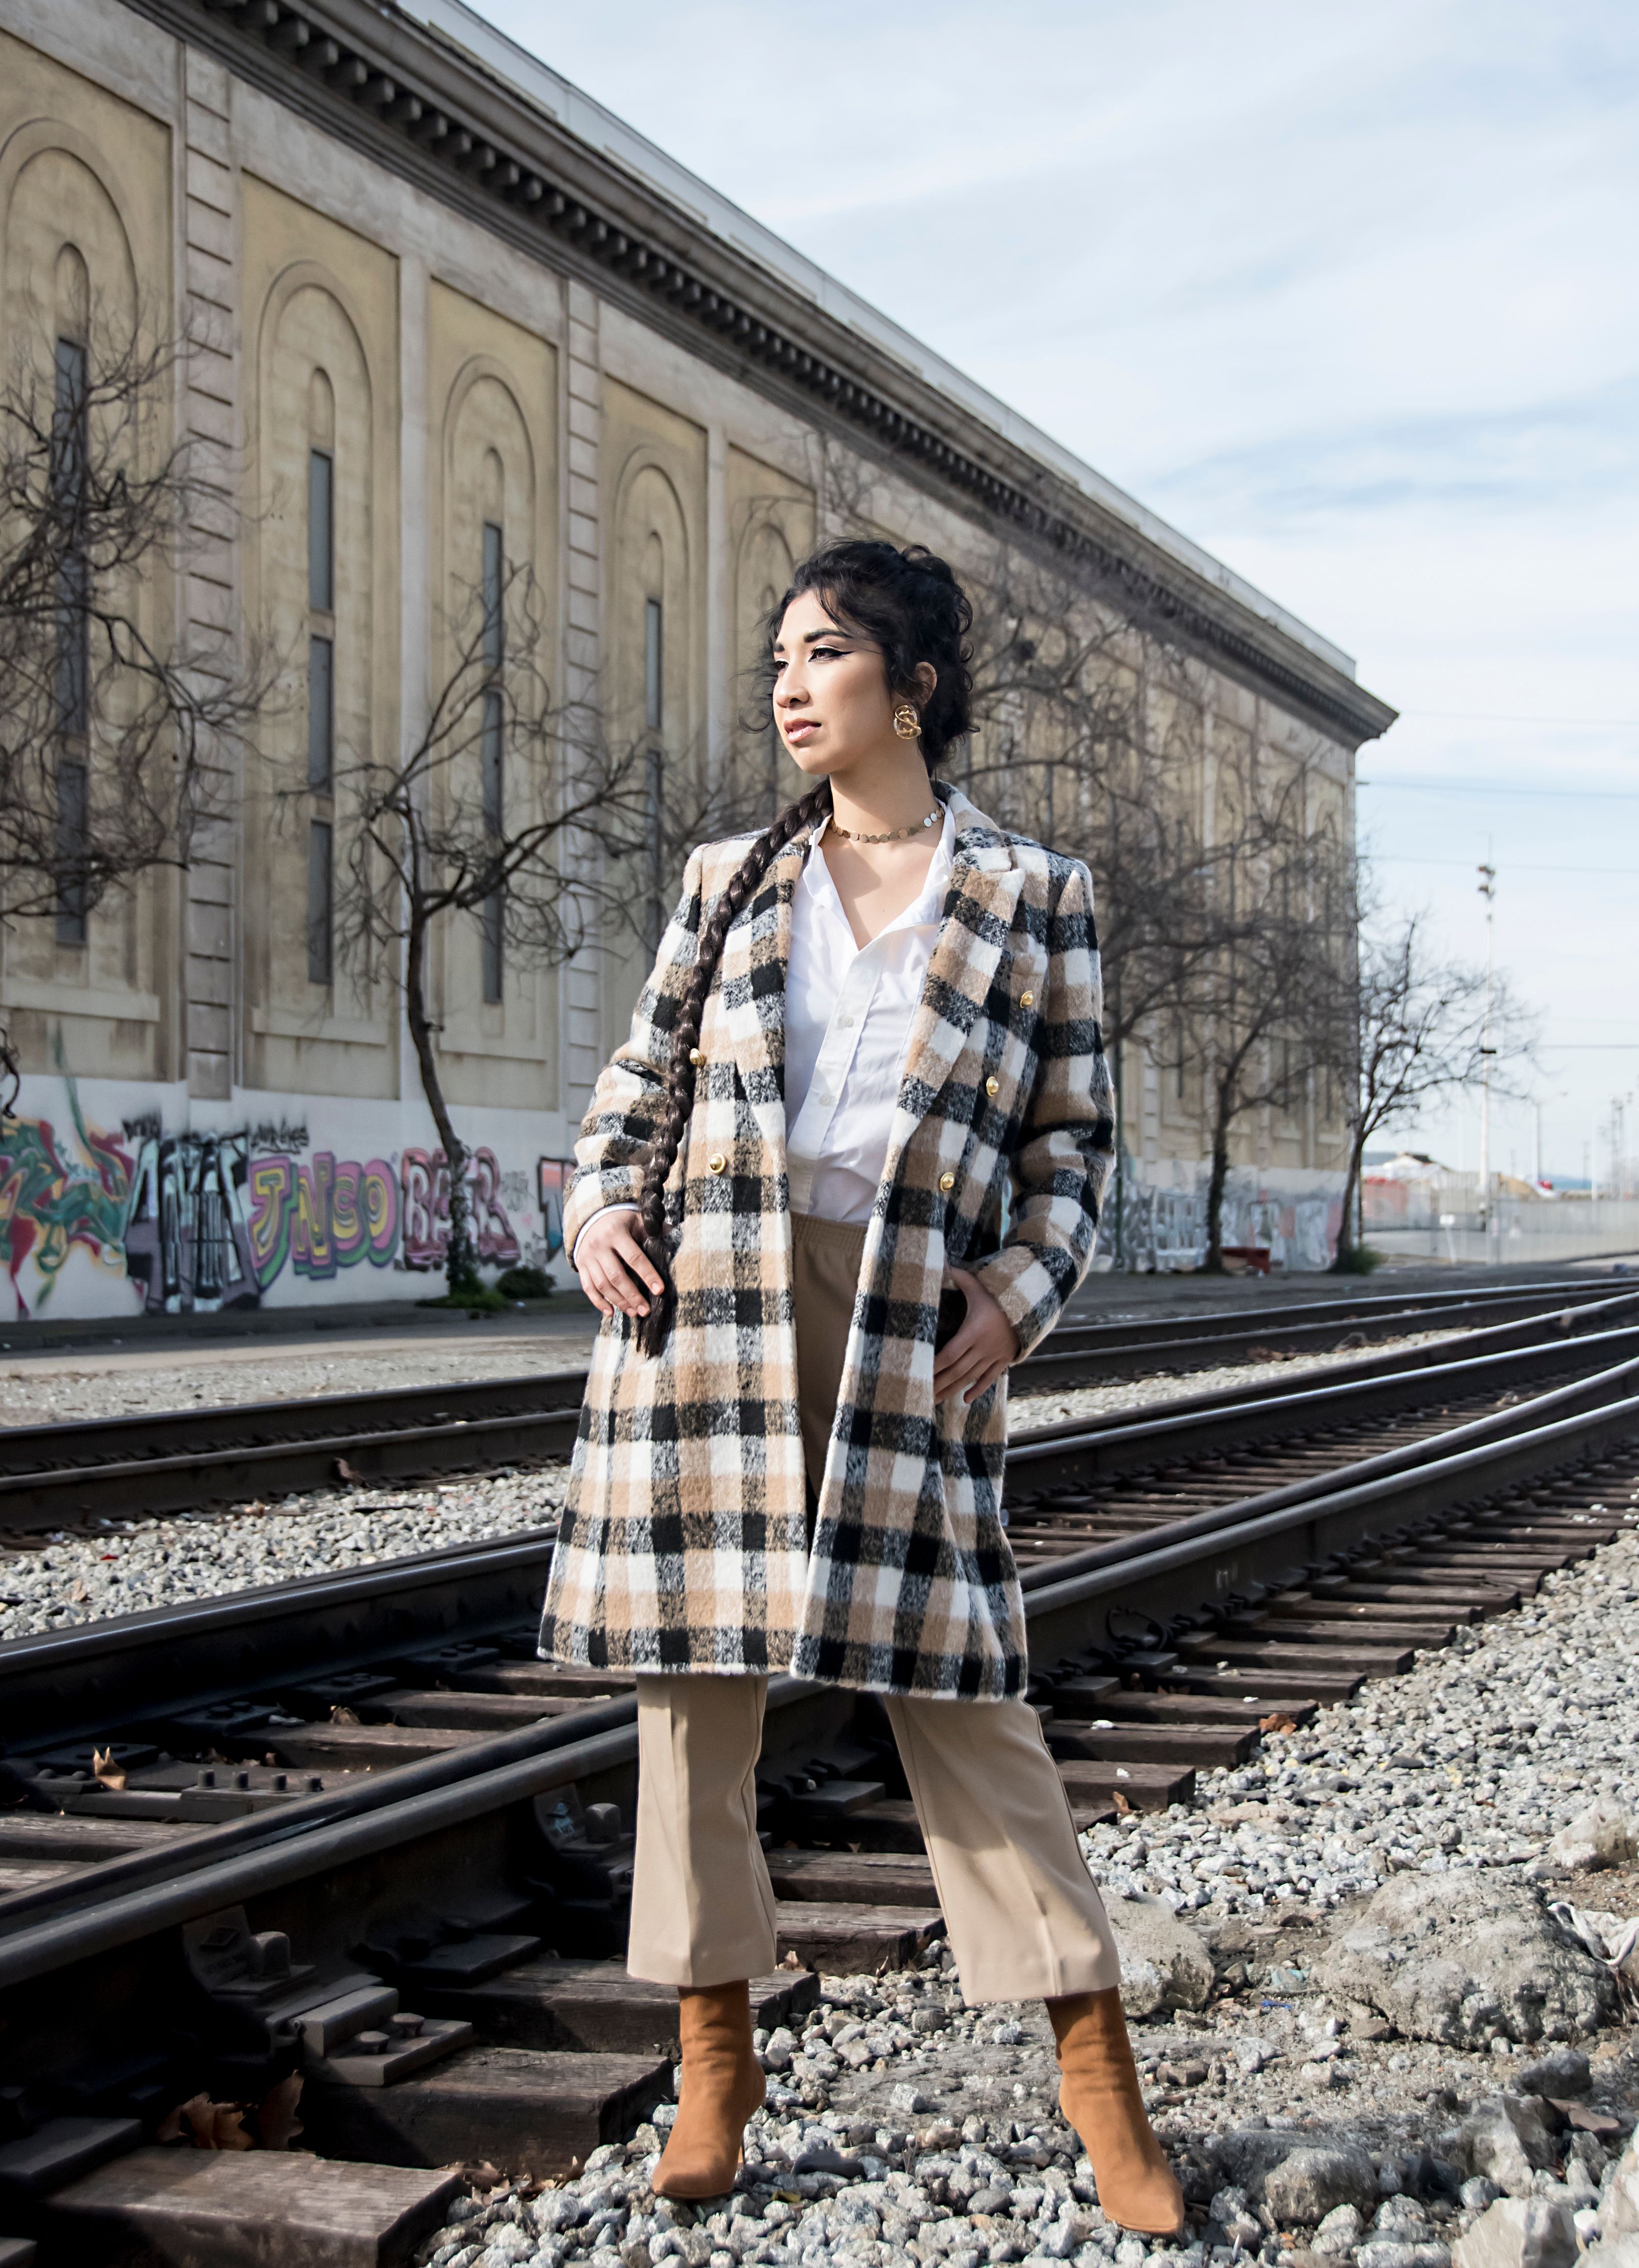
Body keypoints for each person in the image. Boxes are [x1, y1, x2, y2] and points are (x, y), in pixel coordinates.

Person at [540, 540, 1183, 2230]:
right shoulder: (729, 879)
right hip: (717, 1309)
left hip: (909, 1321)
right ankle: (712, 2068)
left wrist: (1022, 1297)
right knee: (694, 1705)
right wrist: (604, 1201)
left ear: (913, 686)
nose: (787, 682)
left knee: (969, 1699)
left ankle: (1098, 2085)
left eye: (823, 653)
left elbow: (1074, 1149)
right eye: (777, 656)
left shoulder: (1034, 895)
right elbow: (636, 1080)